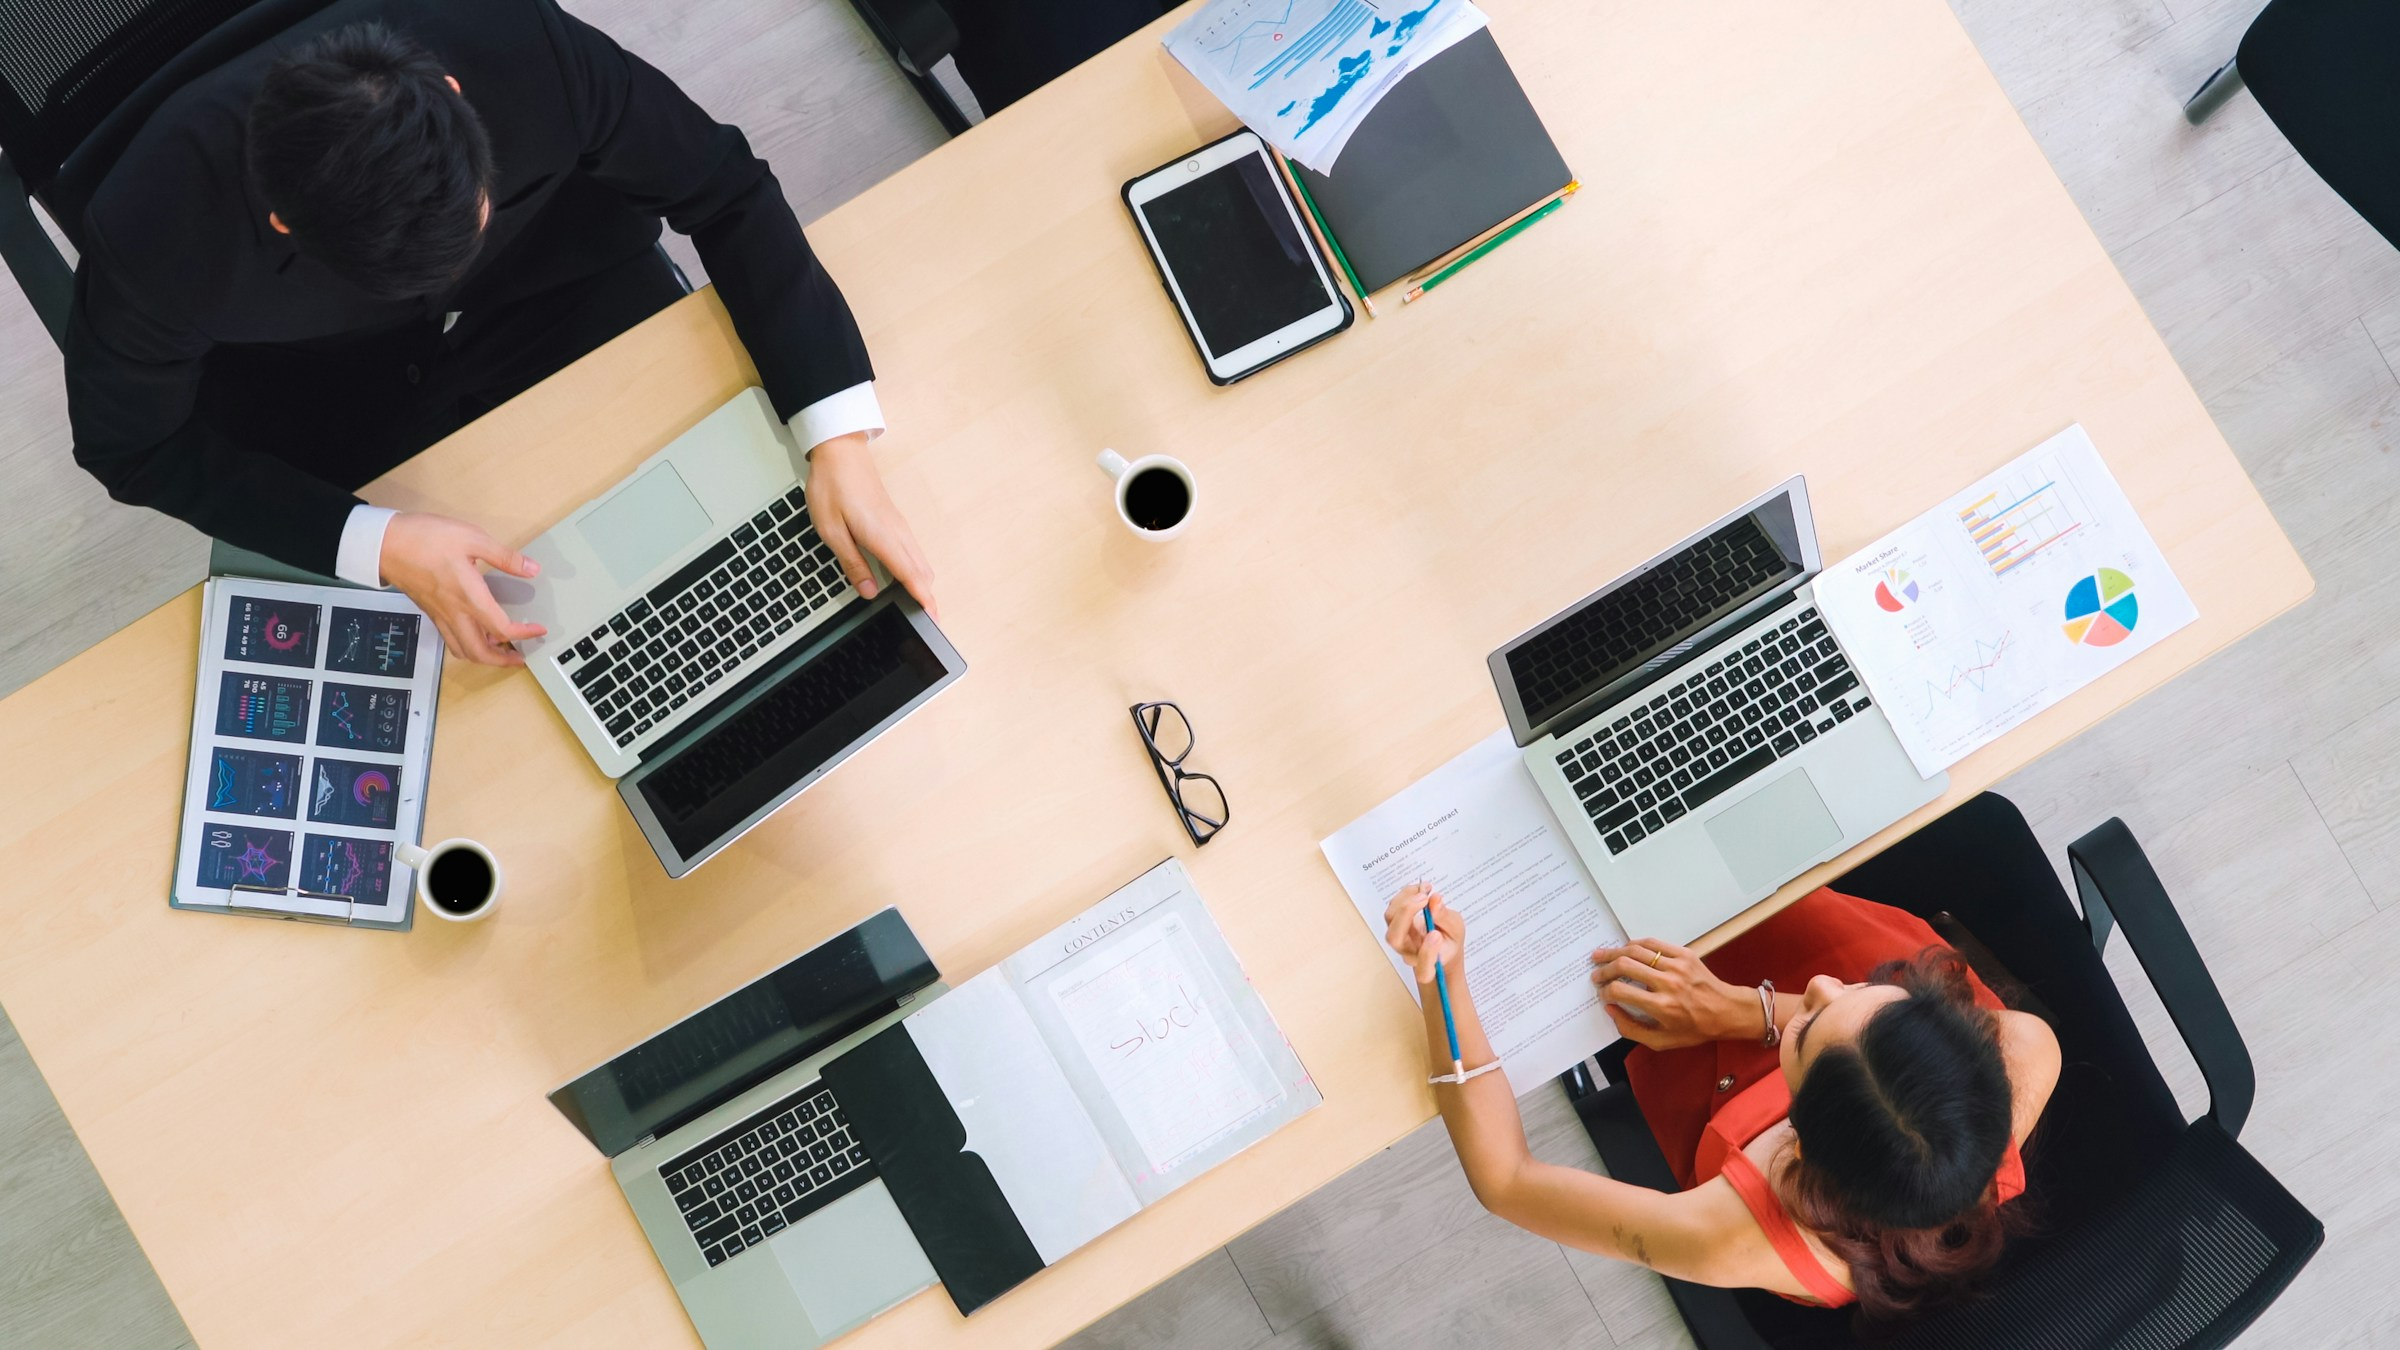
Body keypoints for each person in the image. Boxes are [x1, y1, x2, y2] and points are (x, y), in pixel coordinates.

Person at [65, 0, 937, 666]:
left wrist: (837, 432)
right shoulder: (155, 233)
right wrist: (380, 541)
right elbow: (132, 449)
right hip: (330, 398)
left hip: (556, 289)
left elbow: (725, 186)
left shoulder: (522, 47)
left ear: (452, 92)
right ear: (286, 223)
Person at [1380, 883, 2062, 1323]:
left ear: (1794, 1128)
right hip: (1763, 1016)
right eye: (1871, 994)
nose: (1824, 984)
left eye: (1813, 1021)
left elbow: (1506, 1179)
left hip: (1719, 1092)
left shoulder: (1726, 1235)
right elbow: (1849, 1004)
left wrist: (1442, 981)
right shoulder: (2021, 1058)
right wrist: (1745, 1011)